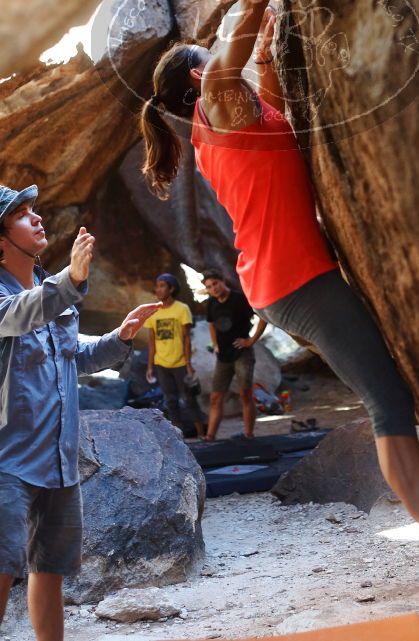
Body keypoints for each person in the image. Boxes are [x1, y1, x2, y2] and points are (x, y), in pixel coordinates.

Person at [138, 0, 419, 595]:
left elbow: (274, 75)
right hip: (294, 280)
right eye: (206, 53)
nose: (219, 51)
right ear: (198, 80)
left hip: (290, 273)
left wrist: (278, 31)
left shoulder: (246, 112)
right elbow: (248, 1)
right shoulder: (217, 103)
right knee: (387, 402)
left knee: (392, 393)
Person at [0, 183, 162, 637]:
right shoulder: (24, 297)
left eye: (34, 210)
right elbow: (21, 313)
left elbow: (76, 353)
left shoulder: (53, 294)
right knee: (2, 565)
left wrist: (120, 337)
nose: (36, 219)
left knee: (47, 567)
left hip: (57, 460)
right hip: (6, 462)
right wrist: (70, 280)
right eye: (21, 214)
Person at [202, 270, 268, 440]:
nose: (213, 288)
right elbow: (211, 323)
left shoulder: (239, 299)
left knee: (245, 393)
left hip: (242, 353)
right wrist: (215, 343)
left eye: (215, 283)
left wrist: (251, 340)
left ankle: (248, 434)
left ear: (223, 281)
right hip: (222, 356)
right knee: (216, 397)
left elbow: (263, 316)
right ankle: (210, 436)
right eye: (209, 287)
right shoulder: (211, 303)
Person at [144, 273, 204, 437]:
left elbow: (186, 338)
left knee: (189, 398)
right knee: (170, 401)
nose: (158, 289)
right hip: (161, 363)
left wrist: (189, 364)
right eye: (157, 286)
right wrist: (150, 366)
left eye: (162, 285)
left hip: (180, 363)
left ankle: (202, 434)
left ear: (171, 288)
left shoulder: (182, 309)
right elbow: (152, 340)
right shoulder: (152, 311)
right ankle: (179, 436)